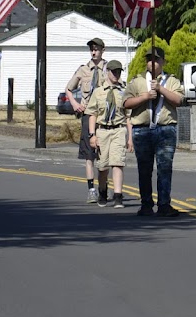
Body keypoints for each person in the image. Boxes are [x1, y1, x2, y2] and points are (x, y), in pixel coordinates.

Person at [125, 47, 185, 217]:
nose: (153, 63)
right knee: (144, 169)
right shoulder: (137, 81)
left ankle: (164, 204)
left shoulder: (171, 81)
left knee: (165, 168)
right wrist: (144, 97)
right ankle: (146, 204)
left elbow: (179, 100)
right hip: (142, 130)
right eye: (150, 59)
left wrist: (160, 89)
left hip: (165, 130)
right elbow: (126, 103)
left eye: (157, 60)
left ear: (163, 62)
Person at [65, 37, 108, 205]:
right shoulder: (83, 70)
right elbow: (69, 89)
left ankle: (103, 187)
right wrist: (75, 103)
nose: (93, 51)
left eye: (96, 48)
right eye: (91, 49)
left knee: (104, 154)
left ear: (103, 50)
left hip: (104, 116)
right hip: (88, 115)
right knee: (89, 155)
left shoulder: (108, 69)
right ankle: (91, 189)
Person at [85, 60, 130, 208]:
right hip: (102, 131)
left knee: (118, 163)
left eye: (119, 72)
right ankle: (102, 191)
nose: (116, 74)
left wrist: (130, 138)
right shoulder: (98, 92)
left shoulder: (124, 91)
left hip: (118, 129)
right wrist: (92, 135)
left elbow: (129, 116)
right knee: (103, 166)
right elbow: (92, 114)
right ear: (107, 72)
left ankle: (118, 196)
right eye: (114, 72)